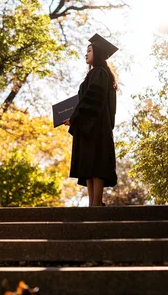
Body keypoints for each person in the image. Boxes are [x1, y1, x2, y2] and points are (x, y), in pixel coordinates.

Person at [63, 33, 118, 207]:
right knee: (88, 167)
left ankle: (96, 204)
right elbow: (84, 101)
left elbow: (93, 100)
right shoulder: (93, 74)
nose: (86, 54)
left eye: (89, 50)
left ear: (98, 53)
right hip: (88, 125)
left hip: (96, 127)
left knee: (96, 164)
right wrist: (73, 118)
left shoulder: (100, 73)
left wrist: (76, 118)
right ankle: (92, 204)